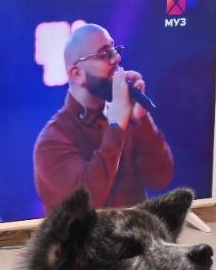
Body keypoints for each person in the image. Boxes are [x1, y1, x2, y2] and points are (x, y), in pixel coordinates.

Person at [33, 24, 173, 214]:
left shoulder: (125, 116)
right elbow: (86, 203)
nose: (116, 58)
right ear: (77, 74)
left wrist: (141, 120)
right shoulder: (52, 141)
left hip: (135, 232)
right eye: (104, 54)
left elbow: (161, 178)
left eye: (115, 50)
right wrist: (116, 128)